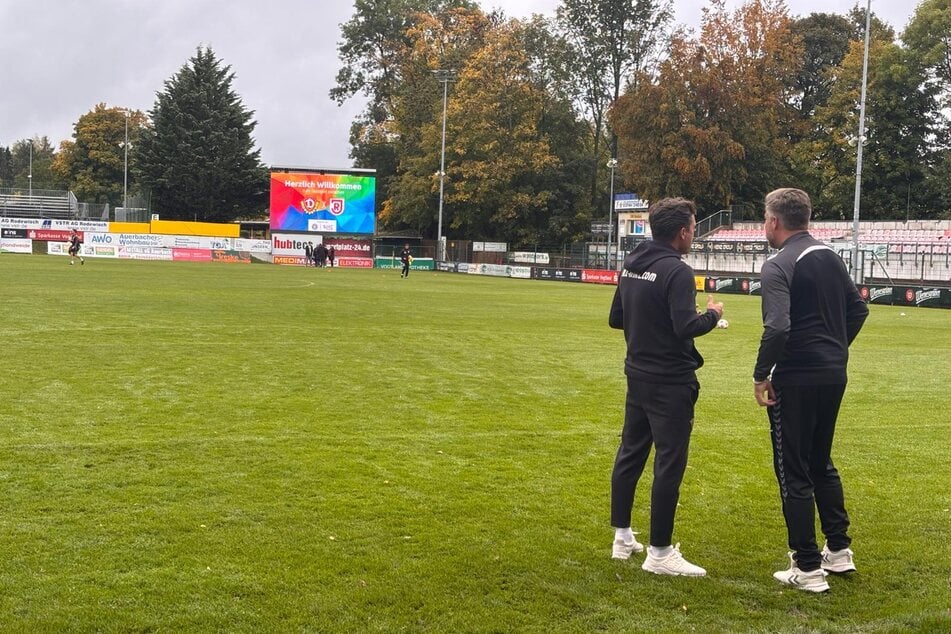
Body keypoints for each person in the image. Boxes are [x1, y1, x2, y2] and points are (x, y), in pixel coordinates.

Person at [753, 188, 868, 593]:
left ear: (773, 221)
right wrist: (834, 350)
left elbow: (778, 326)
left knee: (793, 469)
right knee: (821, 462)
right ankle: (838, 551)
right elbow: (859, 310)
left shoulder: (778, 264)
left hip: (796, 379)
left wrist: (760, 374)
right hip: (833, 374)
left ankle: (807, 566)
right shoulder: (831, 258)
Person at [608, 197, 723, 577]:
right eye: (693, 227)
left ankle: (622, 538)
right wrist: (713, 315)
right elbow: (684, 327)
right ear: (682, 232)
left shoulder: (631, 264)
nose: (694, 234)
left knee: (630, 453)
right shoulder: (676, 271)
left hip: (637, 373)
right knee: (668, 463)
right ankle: (659, 553)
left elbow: (615, 319)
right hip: (670, 380)